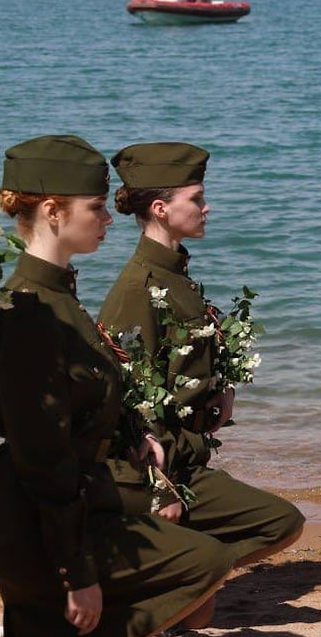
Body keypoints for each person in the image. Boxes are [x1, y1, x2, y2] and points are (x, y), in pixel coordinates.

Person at [0, 136, 235, 637]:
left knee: (203, 579)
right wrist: (75, 574)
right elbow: (43, 457)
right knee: (205, 565)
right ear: (53, 211)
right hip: (32, 514)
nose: (111, 216)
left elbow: (93, 393)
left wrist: (139, 436)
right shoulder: (30, 314)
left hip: (76, 495)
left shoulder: (59, 297)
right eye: (97, 207)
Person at [99, 142, 304, 570]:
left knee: (282, 525)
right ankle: (174, 576)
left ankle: (185, 571)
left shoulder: (174, 276)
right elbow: (125, 400)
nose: (207, 208)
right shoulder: (140, 289)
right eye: (197, 200)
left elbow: (181, 363)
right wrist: (159, 488)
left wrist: (222, 389)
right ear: (160, 208)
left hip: (189, 459)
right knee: (279, 526)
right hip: (164, 471)